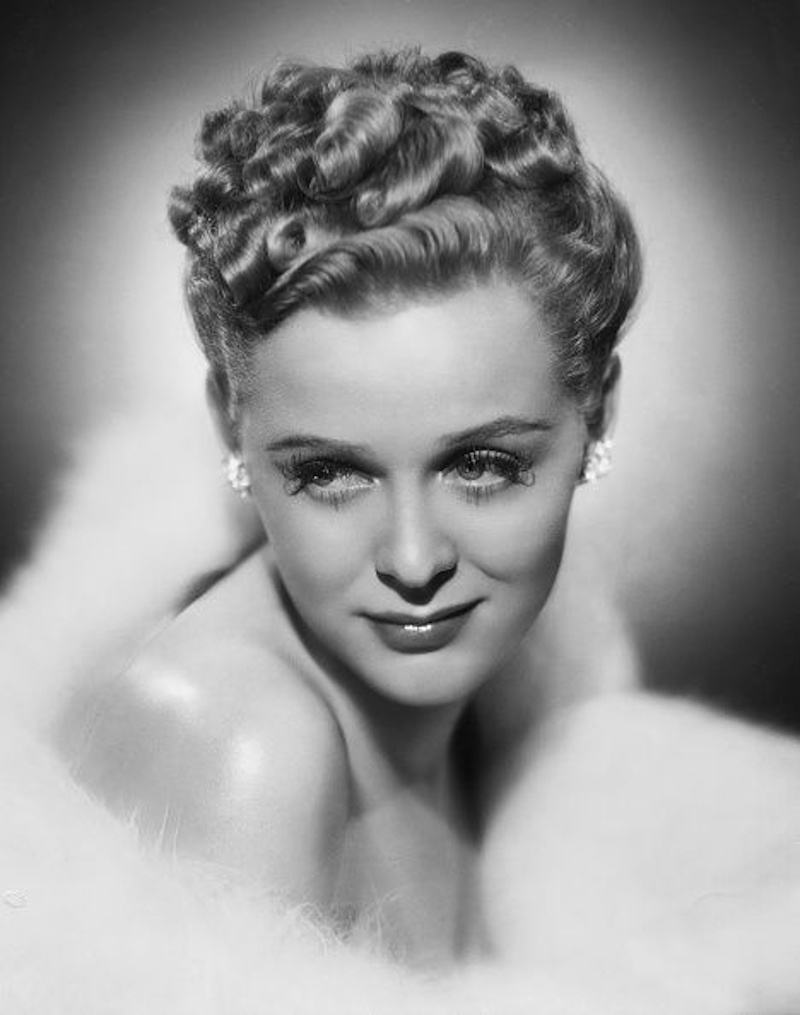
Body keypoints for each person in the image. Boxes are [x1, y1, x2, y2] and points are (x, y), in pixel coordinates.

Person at [10, 47, 798, 1011]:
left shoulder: (510, 696)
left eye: (482, 464)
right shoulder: (249, 751)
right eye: (328, 473)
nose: (415, 562)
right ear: (230, 426)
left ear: (597, 409)